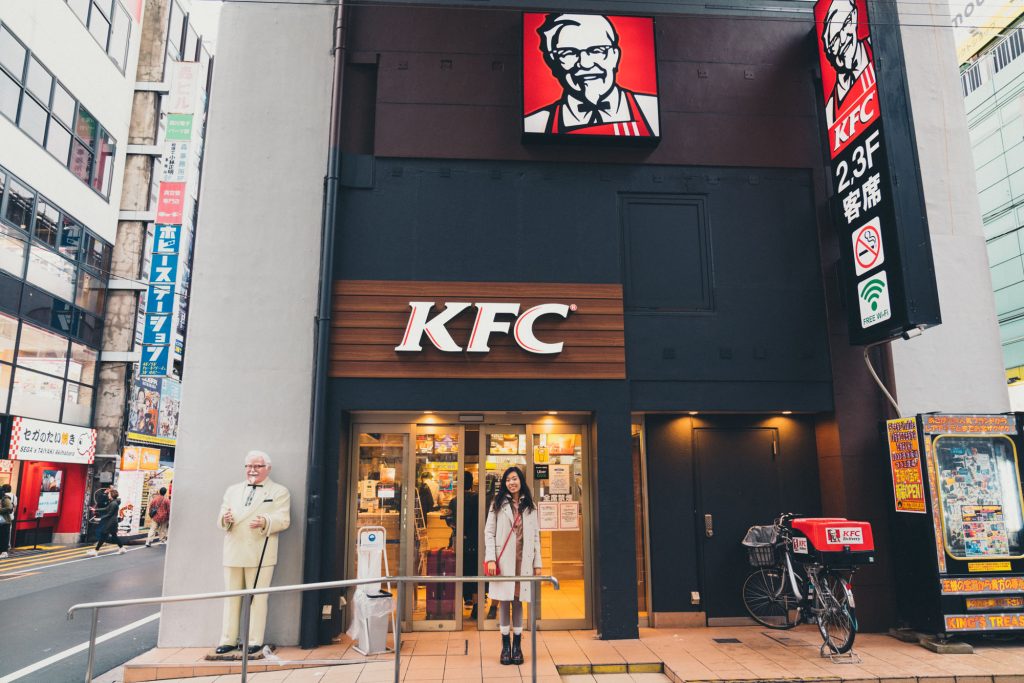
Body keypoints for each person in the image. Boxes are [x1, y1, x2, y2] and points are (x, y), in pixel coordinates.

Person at [524, 13, 659, 137]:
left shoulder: (650, 110)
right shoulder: (536, 123)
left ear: (615, 56)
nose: (585, 64)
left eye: (597, 50)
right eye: (568, 53)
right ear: (552, 63)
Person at [214, 450, 291, 656]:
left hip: (260, 551)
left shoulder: (278, 491)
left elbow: (284, 519)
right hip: (233, 550)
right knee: (231, 597)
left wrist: (266, 521)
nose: (252, 470)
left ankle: (255, 640)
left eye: (257, 466)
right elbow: (222, 515)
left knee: (258, 598)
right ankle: (228, 638)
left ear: (268, 468)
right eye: (249, 466)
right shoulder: (232, 490)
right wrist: (226, 518)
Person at [484, 467, 542, 666]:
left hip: (522, 560)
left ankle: (517, 645)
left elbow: (535, 536)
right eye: (508, 480)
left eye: (515, 478)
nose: (512, 482)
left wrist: (538, 562)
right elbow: (488, 532)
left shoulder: (530, 505)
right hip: (503, 561)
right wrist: (491, 558)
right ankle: (505, 645)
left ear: (521, 480)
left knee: (518, 601)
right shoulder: (497, 503)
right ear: (504, 483)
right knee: (504, 601)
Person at [819, 0, 874, 129]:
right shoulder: (831, 110)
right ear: (828, 50)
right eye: (835, 39)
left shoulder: (876, 49)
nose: (843, 39)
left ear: (854, 16)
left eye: (846, 24)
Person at [448, 471, 480, 618]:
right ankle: (476, 606)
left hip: (461, 542)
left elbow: (450, 521)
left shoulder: (454, 501)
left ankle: (464, 599)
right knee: (476, 573)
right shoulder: (480, 499)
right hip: (477, 542)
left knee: (461, 572)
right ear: (471, 483)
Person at [88, 488, 126, 556]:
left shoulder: (114, 503)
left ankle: (96, 551)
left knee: (103, 535)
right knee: (113, 536)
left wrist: (100, 518)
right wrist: (95, 509)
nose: (108, 495)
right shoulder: (113, 502)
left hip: (111, 523)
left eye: (109, 494)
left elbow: (109, 514)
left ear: (111, 495)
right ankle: (122, 548)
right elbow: (106, 509)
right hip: (112, 522)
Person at [0, 484, 13, 559]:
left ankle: (4, 552)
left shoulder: (5, 499)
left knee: (4, 537)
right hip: (2, 522)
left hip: (5, 522)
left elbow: (9, 507)